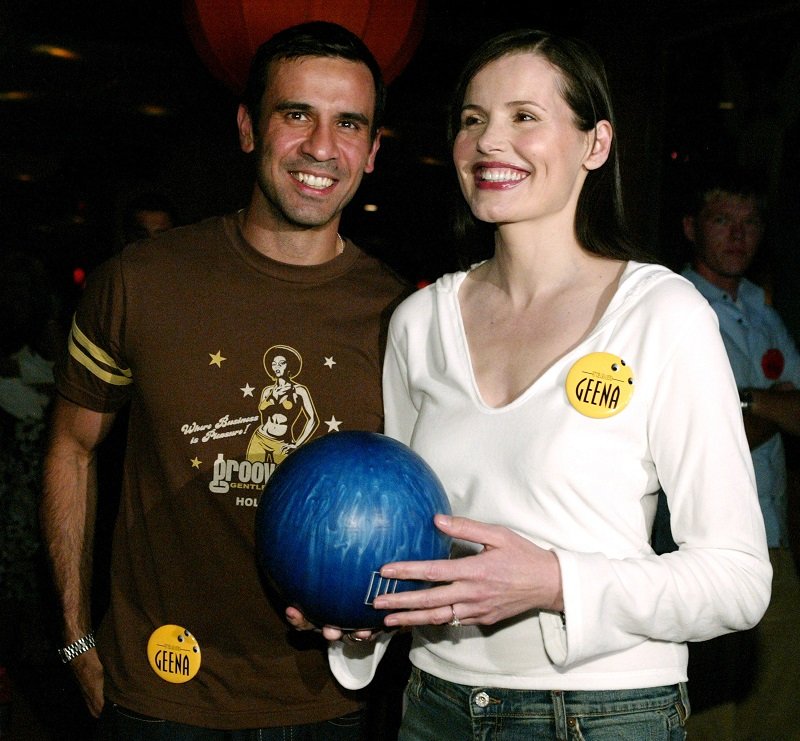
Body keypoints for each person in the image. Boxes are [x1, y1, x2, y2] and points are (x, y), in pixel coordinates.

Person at [309, 28, 772, 740]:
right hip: (435, 705)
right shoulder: (418, 322)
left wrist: (558, 581)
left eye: (525, 116)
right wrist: (355, 612)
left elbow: (739, 580)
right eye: (473, 119)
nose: (491, 140)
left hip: (605, 711)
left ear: (596, 144)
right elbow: (407, 547)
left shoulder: (661, 313)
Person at [40, 21, 410, 739]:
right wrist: (78, 641)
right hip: (157, 689)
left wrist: (374, 633)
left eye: (349, 124)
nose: (320, 147)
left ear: (370, 153)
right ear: (248, 128)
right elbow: (70, 449)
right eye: (296, 113)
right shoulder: (139, 283)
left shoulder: (407, 317)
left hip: (327, 703)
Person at [679, 168, 800, 740]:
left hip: (773, 541)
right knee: (708, 715)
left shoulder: (760, 305)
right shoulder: (675, 307)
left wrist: (745, 402)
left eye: (750, 222)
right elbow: (707, 434)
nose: (738, 236)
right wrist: (767, 407)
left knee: (776, 708)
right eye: (723, 220)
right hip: (699, 544)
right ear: (690, 228)